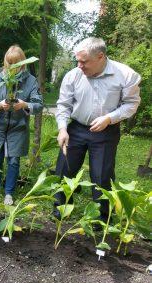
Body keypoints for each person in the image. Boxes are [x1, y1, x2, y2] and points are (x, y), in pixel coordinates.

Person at [54, 37, 141, 220]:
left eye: (84, 61)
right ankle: (61, 207)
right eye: (77, 60)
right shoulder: (73, 75)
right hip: (75, 130)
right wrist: (62, 129)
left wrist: (109, 118)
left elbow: (131, 104)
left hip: (106, 132)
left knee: (101, 176)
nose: (79, 65)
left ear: (100, 56)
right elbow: (63, 105)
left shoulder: (126, 75)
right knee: (64, 169)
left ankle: (101, 217)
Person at [0, 45, 43, 205]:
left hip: (18, 128)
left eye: (16, 64)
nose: (12, 67)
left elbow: (38, 104)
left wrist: (25, 104)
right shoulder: (0, 79)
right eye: (9, 63)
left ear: (22, 63)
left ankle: (9, 192)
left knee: (13, 161)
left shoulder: (30, 80)